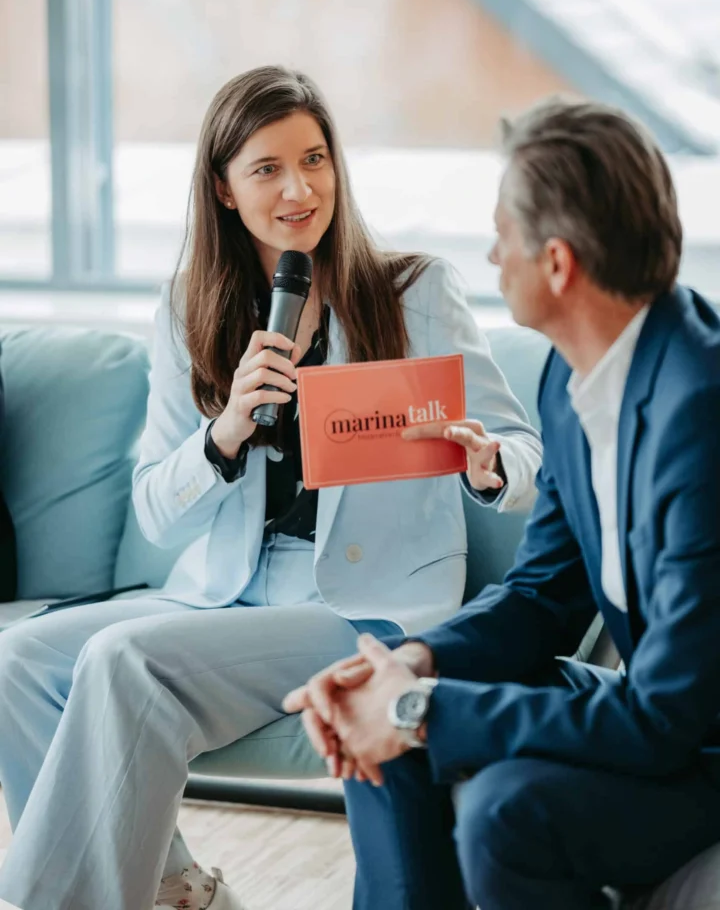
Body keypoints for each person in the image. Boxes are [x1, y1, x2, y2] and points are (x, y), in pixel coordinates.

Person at [0, 66, 541, 910]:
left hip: (367, 604)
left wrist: (489, 465)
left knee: (124, 660)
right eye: (267, 168)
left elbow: (524, 453)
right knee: (17, 660)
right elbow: (152, 508)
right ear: (222, 188)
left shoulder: (415, 291)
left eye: (316, 159)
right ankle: (178, 892)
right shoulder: (189, 307)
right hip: (223, 595)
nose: (300, 188)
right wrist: (221, 435)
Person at [286, 96, 720, 910]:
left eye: (502, 237)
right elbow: (539, 597)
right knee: (381, 727)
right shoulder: (572, 376)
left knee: (503, 811)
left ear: (557, 264)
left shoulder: (702, 411)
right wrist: (409, 667)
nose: (491, 256)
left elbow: (668, 719)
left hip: (699, 742)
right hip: (654, 711)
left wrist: (422, 708)